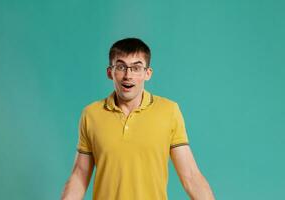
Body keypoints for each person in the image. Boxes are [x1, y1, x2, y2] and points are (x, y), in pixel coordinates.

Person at [61, 38, 215, 200]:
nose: (128, 75)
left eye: (136, 68)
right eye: (121, 67)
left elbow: (191, 176)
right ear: (110, 72)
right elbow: (79, 175)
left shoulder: (169, 111)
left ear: (147, 73)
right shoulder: (91, 114)